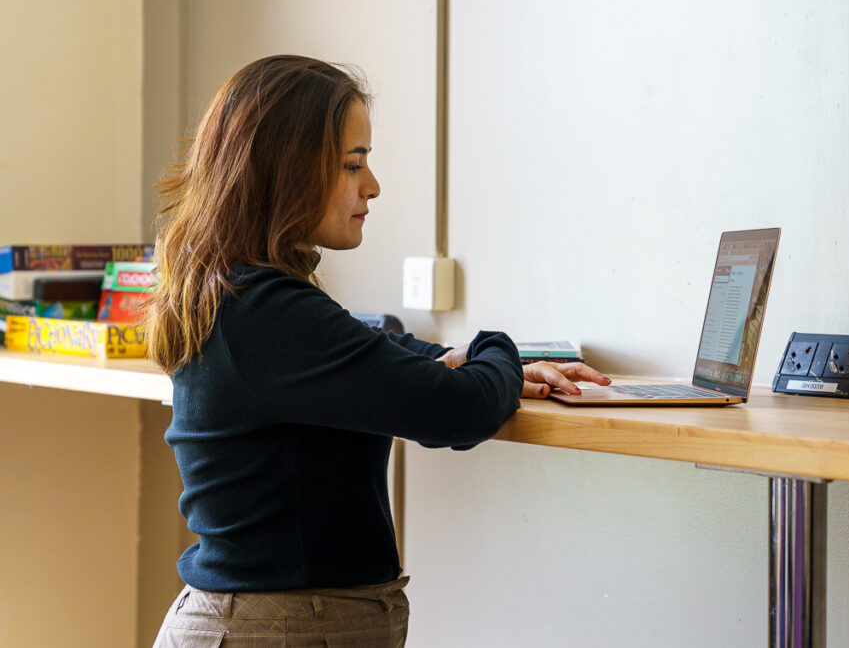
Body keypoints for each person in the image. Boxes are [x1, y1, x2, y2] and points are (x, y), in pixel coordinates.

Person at [146, 54, 610, 647]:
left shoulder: (246, 295)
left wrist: (485, 364)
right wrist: (498, 347)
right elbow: (457, 411)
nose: (373, 185)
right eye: (352, 164)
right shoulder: (265, 309)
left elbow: (378, 351)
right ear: (287, 169)